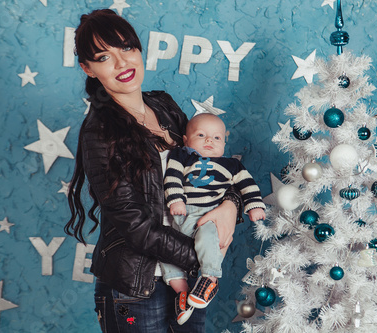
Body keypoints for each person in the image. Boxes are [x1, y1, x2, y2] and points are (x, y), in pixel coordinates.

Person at [64, 9, 243, 333]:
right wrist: (204, 260)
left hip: (189, 280)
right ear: (88, 69)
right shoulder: (99, 131)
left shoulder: (164, 105)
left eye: (127, 48)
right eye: (105, 57)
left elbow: (208, 165)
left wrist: (231, 204)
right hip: (136, 288)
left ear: (139, 50)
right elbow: (135, 226)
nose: (122, 63)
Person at [161, 113, 266, 324]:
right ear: (186, 140)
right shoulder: (180, 157)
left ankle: (209, 277)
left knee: (208, 239)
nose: (209, 140)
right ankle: (182, 294)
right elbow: (172, 178)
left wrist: (254, 206)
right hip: (180, 214)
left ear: (225, 143)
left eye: (217, 138)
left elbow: (248, 186)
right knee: (166, 253)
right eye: (201, 135)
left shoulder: (231, 166)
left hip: (208, 214)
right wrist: (176, 200)